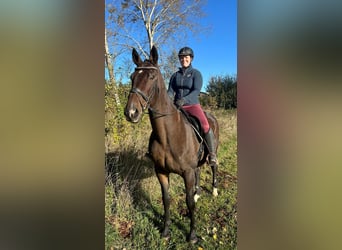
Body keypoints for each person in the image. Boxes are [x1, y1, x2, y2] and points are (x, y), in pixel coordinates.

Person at [167, 46, 217, 165]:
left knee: (205, 125)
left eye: (186, 57)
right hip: (177, 106)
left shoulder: (196, 74)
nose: (184, 59)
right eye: (182, 58)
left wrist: (184, 100)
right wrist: (167, 101)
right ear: (179, 59)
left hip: (192, 105)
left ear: (191, 59)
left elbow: (196, 90)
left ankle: (212, 154)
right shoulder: (175, 76)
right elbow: (170, 91)